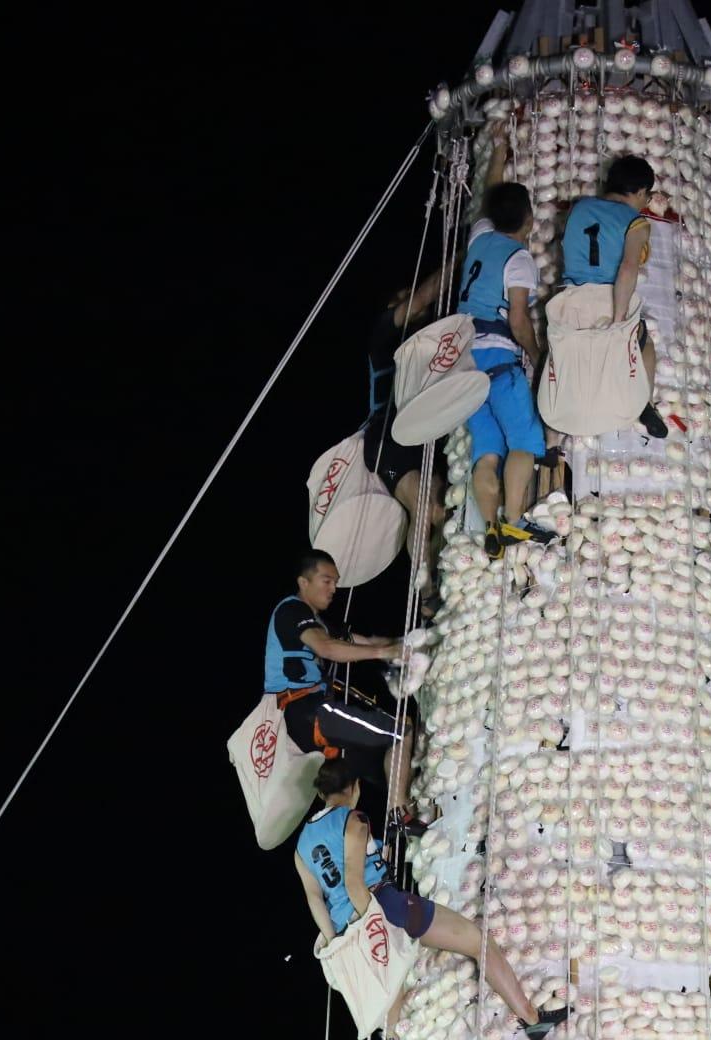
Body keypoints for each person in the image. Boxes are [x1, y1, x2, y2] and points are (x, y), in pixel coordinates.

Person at [295, 759, 570, 1040]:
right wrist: (380, 929)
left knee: (393, 1013)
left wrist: (337, 944)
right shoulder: (353, 820)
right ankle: (531, 1018)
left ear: (321, 794)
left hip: (348, 932)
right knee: (478, 942)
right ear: (355, 786)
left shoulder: (302, 844)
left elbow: (315, 899)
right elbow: (355, 884)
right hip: (383, 908)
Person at [267, 549, 426, 834]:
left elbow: (359, 640)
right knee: (401, 732)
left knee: (391, 769)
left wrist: (404, 646)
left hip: (313, 719)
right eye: (326, 580)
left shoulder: (321, 623)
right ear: (304, 582)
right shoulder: (292, 611)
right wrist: (384, 651)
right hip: (309, 712)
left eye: (335, 582)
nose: (333, 589)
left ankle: (405, 815)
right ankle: (397, 816)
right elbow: (326, 648)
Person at [460, 129, 558, 559]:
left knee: (486, 452)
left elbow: (487, 196)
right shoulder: (519, 260)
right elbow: (518, 319)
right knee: (525, 443)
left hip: (462, 365)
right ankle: (515, 521)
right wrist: (537, 356)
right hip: (498, 360)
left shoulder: (480, 236)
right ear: (529, 220)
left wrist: (499, 152)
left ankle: (490, 529)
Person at [360, 268, 452, 611]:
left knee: (443, 511)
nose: (416, 304)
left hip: (423, 437)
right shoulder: (384, 333)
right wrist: (459, 258)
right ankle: (426, 592)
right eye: (405, 297)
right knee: (426, 507)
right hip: (387, 437)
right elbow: (425, 294)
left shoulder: (432, 341)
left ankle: (444, 579)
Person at [560, 155, 667, 438]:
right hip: (605, 299)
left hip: (570, 302)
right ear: (641, 192)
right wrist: (619, 320)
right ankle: (644, 403)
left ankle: (561, 423)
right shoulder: (636, 222)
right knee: (645, 347)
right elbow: (628, 268)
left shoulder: (578, 209)